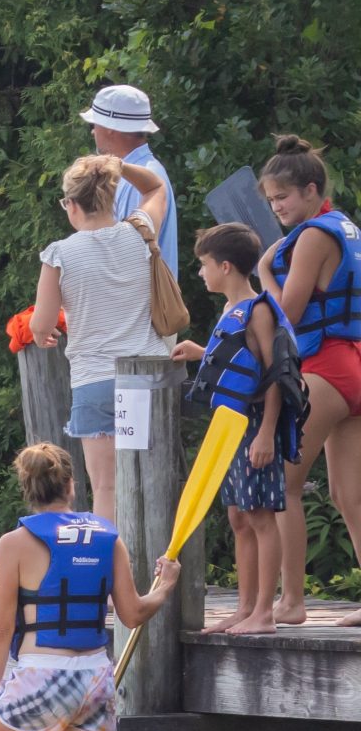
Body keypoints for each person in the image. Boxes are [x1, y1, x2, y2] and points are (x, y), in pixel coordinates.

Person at [0, 443, 179, 731]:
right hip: (95, 679)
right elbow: (134, 614)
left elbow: (1, 629)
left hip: (43, 678)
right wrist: (165, 586)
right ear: (70, 485)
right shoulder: (109, 538)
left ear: (27, 489)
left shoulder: (14, 543)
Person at [172, 223, 304, 635]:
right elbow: (234, 360)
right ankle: (245, 607)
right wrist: (201, 352)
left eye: (204, 265)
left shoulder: (257, 309)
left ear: (225, 266)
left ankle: (265, 612)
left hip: (252, 430)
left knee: (261, 517)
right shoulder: (231, 311)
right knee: (238, 517)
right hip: (228, 429)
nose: (200, 273)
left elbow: (274, 375)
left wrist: (266, 433)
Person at [251, 135, 361, 627]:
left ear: (312, 189)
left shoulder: (314, 236)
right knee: (348, 494)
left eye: (283, 198)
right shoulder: (345, 227)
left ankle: (291, 602)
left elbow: (288, 314)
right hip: (353, 365)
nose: (277, 208)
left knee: (284, 486)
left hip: (327, 369)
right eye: (271, 201)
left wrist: (262, 273)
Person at [32, 155, 172, 518]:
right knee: (152, 483)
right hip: (145, 377)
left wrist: (41, 335)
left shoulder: (60, 254)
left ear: (72, 205)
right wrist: (116, 166)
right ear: (110, 197)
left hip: (94, 381)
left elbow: (42, 323)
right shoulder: (140, 230)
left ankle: (110, 571)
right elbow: (156, 187)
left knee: (106, 487)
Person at [82, 85, 176, 273]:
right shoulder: (144, 173)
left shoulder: (139, 182)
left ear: (110, 128)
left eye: (95, 124)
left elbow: (130, 256)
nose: (93, 131)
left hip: (141, 302)